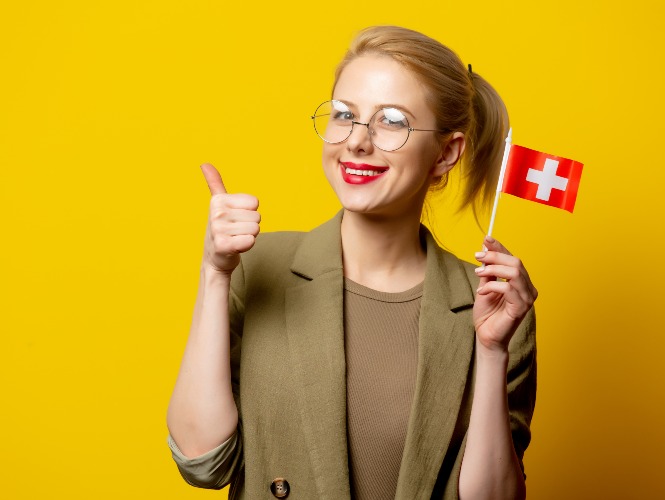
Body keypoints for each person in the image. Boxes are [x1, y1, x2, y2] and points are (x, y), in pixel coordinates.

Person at [167, 25, 537, 500]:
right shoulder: (256, 267)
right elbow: (202, 461)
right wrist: (214, 273)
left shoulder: (491, 305)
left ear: (446, 153)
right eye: (344, 114)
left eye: (393, 121)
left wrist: (491, 351)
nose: (357, 142)